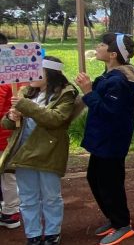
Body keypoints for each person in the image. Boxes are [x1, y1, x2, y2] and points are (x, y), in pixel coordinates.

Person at [0, 57, 78, 245]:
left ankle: (52, 233)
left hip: (49, 153)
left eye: (37, 72)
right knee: (27, 198)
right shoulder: (25, 92)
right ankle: (33, 235)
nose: (31, 76)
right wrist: (11, 116)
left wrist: (24, 106)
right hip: (23, 153)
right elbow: (7, 124)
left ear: (50, 75)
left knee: (51, 196)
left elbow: (56, 119)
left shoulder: (66, 94)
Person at [76, 33, 134, 245]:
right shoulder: (108, 76)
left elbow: (108, 112)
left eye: (102, 44)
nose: (97, 46)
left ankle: (122, 224)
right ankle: (115, 218)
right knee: (95, 179)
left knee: (110, 184)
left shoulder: (118, 81)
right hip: (101, 140)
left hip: (111, 141)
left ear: (113, 54)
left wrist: (88, 91)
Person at [0, 32, 21, 230]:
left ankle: (11, 212)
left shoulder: (6, 78)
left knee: (7, 174)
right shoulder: (14, 74)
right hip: (10, 135)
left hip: (4, 136)